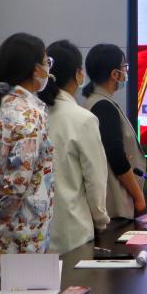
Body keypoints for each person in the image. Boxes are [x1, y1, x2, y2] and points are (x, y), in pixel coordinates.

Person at [0, 33, 55, 276]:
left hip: (15, 239)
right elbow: (16, 186)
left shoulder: (10, 106)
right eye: (46, 62)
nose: (48, 68)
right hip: (18, 241)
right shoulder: (27, 116)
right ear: (35, 70)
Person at [41, 40, 109, 255]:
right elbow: (95, 179)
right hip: (73, 233)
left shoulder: (32, 113)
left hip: (32, 236)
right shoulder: (83, 119)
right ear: (78, 74)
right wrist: (101, 220)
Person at [81, 44, 147, 220]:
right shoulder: (103, 106)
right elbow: (117, 157)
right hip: (115, 203)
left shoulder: (97, 102)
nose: (126, 72)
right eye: (124, 67)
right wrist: (138, 196)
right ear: (115, 74)